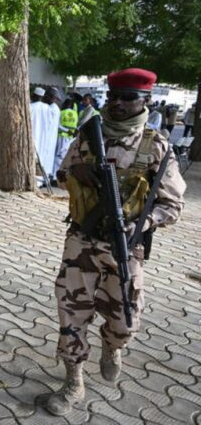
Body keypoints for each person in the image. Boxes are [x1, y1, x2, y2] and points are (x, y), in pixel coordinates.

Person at [48, 68, 186, 416]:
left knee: (124, 318)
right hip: (82, 241)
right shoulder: (88, 135)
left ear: (146, 100)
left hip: (126, 247)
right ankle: (73, 381)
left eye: (128, 97)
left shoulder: (155, 146)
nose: (118, 104)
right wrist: (78, 172)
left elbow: (172, 205)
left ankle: (112, 346)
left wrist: (143, 223)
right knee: (71, 313)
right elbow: (63, 173)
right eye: (113, 97)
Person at [30, 86, 59, 185]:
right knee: (42, 159)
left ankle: (37, 181)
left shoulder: (31, 106)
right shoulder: (47, 108)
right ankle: (40, 181)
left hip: (37, 136)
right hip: (44, 138)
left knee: (35, 159)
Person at [51, 98, 78, 181]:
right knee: (65, 156)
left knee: (58, 156)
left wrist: (66, 130)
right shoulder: (75, 114)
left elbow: (58, 125)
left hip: (62, 136)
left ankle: (55, 177)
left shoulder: (61, 112)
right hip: (71, 137)